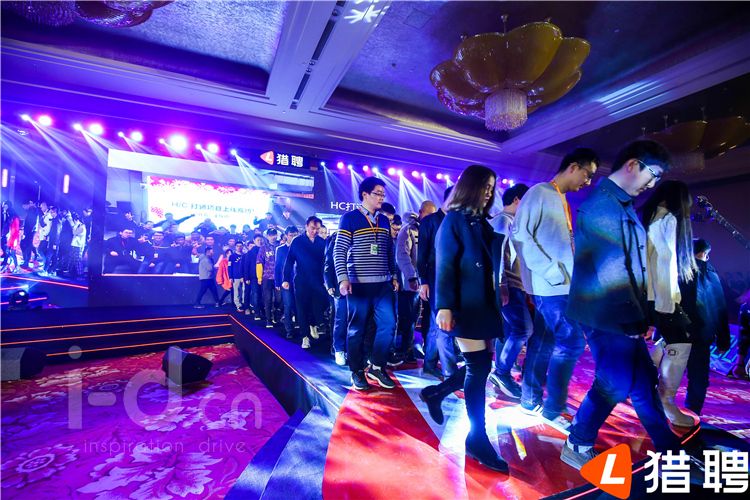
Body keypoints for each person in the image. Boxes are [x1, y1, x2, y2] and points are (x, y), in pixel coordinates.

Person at [562, 141, 703, 477]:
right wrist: (634, 319)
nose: (652, 184)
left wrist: (642, 316)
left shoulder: (621, 204)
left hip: (620, 313)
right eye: (652, 174)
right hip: (605, 314)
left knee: (642, 383)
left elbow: (635, 270)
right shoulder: (602, 205)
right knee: (614, 382)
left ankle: (669, 450)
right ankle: (577, 443)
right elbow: (613, 271)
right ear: (633, 165)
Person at [420, 165, 507, 472]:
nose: (488, 192)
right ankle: (477, 438)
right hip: (464, 306)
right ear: (470, 187)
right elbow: (444, 264)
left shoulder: (480, 221)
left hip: (484, 303)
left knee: (481, 366)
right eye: (484, 186)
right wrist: (444, 306)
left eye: (492, 187)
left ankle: (436, 393)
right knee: (478, 367)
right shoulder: (454, 220)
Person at [512, 147, 599, 429]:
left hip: (560, 284)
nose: (588, 181)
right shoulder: (539, 192)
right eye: (587, 174)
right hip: (550, 285)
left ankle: (530, 400)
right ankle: (553, 407)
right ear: (573, 167)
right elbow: (521, 236)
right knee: (572, 342)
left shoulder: (559, 198)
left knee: (544, 341)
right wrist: (552, 272)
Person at [642, 180, 699, 427]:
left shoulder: (653, 216)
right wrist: (667, 303)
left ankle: (648, 389)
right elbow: (662, 265)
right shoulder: (666, 219)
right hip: (659, 296)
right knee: (681, 340)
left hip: (656, 295)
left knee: (674, 339)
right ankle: (665, 399)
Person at [334, 177, 399, 390]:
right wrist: (343, 278)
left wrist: (394, 275)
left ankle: (377, 366)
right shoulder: (350, 218)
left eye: (383, 194)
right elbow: (339, 250)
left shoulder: (384, 221)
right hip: (358, 284)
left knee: (388, 325)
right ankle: (357, 370)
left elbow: (389, 250)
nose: (381, 197)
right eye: (378, 193)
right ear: (365, 194)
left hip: (383, 284)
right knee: (357, 329)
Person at [488, 183, 532, 400]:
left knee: (508, 331)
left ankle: (501, 371)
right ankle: (501, 371)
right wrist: (501, 284)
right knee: (523, 329)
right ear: (516, 200)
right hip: (509, 284)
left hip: (514, 284)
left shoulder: (508, 221)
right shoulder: (503, 220)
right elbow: (497, 256)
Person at [679, 238, 730, 414]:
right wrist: (723, 339)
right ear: (705, 253)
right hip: (702, 335)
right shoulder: (712, 275)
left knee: (667, 373)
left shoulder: (678, 270)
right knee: (698, 377)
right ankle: (692, 413)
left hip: (678, 333)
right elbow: (720, 308)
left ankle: (659, 408)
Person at [418, 187, 457, 380]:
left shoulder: (457, 220)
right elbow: (421, 255)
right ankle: (449, 371)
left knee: (436, 325)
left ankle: (430, 364)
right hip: (434, 278)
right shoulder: (430, 221)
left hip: (453, 279)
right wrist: (423, 281)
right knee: (442, 324)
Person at [394, 201, 437, 364]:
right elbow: (402, 255)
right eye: (428, 214)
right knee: (410, 318)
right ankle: (406, 350)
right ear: (420, 212)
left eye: (432, 215)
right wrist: (412, 277)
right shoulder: (408, 230)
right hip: (412, 284)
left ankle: (426, 349)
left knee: (426, 317)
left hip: (428, 282)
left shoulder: (431, 230)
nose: (430, 217)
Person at [283, 216, 327, 349]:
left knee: (318, 306)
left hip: (318, 281)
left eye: (317, 229)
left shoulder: (322, 242)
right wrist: (285, 279)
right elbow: (289, 261)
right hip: (301, 281)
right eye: (313, 228)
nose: (315, 231)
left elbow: (325, 263)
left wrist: (326, 280)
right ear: (306, 226)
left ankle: (313, 324)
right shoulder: (297, 241)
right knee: (301, 309)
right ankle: (305, 336)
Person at [325, 231, 347, 365]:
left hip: (357, 286)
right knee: (341, 319)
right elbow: (328, 264)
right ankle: (338, 349)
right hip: (339, 287)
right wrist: (329, 284)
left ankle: (349, 349)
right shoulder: (335, 240)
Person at [275, 225, 299, 339]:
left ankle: (301, 327)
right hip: (286, 282)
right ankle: (289, 330)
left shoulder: (301, 248)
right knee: (288, 305)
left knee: (299, 305)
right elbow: (277, 266)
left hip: (300, 282)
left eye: (295, 235)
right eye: (291, 235)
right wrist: (277, 282)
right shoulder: (280, 249)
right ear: (286, 236)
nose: (293, 237)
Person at [257, 228, 281, 328]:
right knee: (267, 299)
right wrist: (259, 277)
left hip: (278, 278)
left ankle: (275, 312)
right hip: (267, 277)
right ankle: (268, 320)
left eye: (274, 234)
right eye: (271, 235)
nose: (273, 237)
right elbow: (259, 262)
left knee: (279, 299)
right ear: (267, 236)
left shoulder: (280, 246)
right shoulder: (263, 248)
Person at [243, 235, 264, 318]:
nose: (260, 241)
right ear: (254, 241)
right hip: (253, 277)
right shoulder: (250, 252)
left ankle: (263, 310)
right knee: (255, 294)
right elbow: (246, 265)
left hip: (265, 276)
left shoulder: (264, 250)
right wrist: (246, 277)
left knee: (263, 294)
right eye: (258, 240)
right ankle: (257, 312)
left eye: (261, 240)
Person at [229, 242, 245, 312]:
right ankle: (238, 305)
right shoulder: (232, 256)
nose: (239, 247)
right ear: (235, 247)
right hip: (236, 276)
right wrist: (230, 277)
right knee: (237, 291)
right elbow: (229, 267)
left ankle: (245, 304)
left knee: (244, 291)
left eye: (240, 246)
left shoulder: (245, 255)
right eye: (238, 246)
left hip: (244, 276)